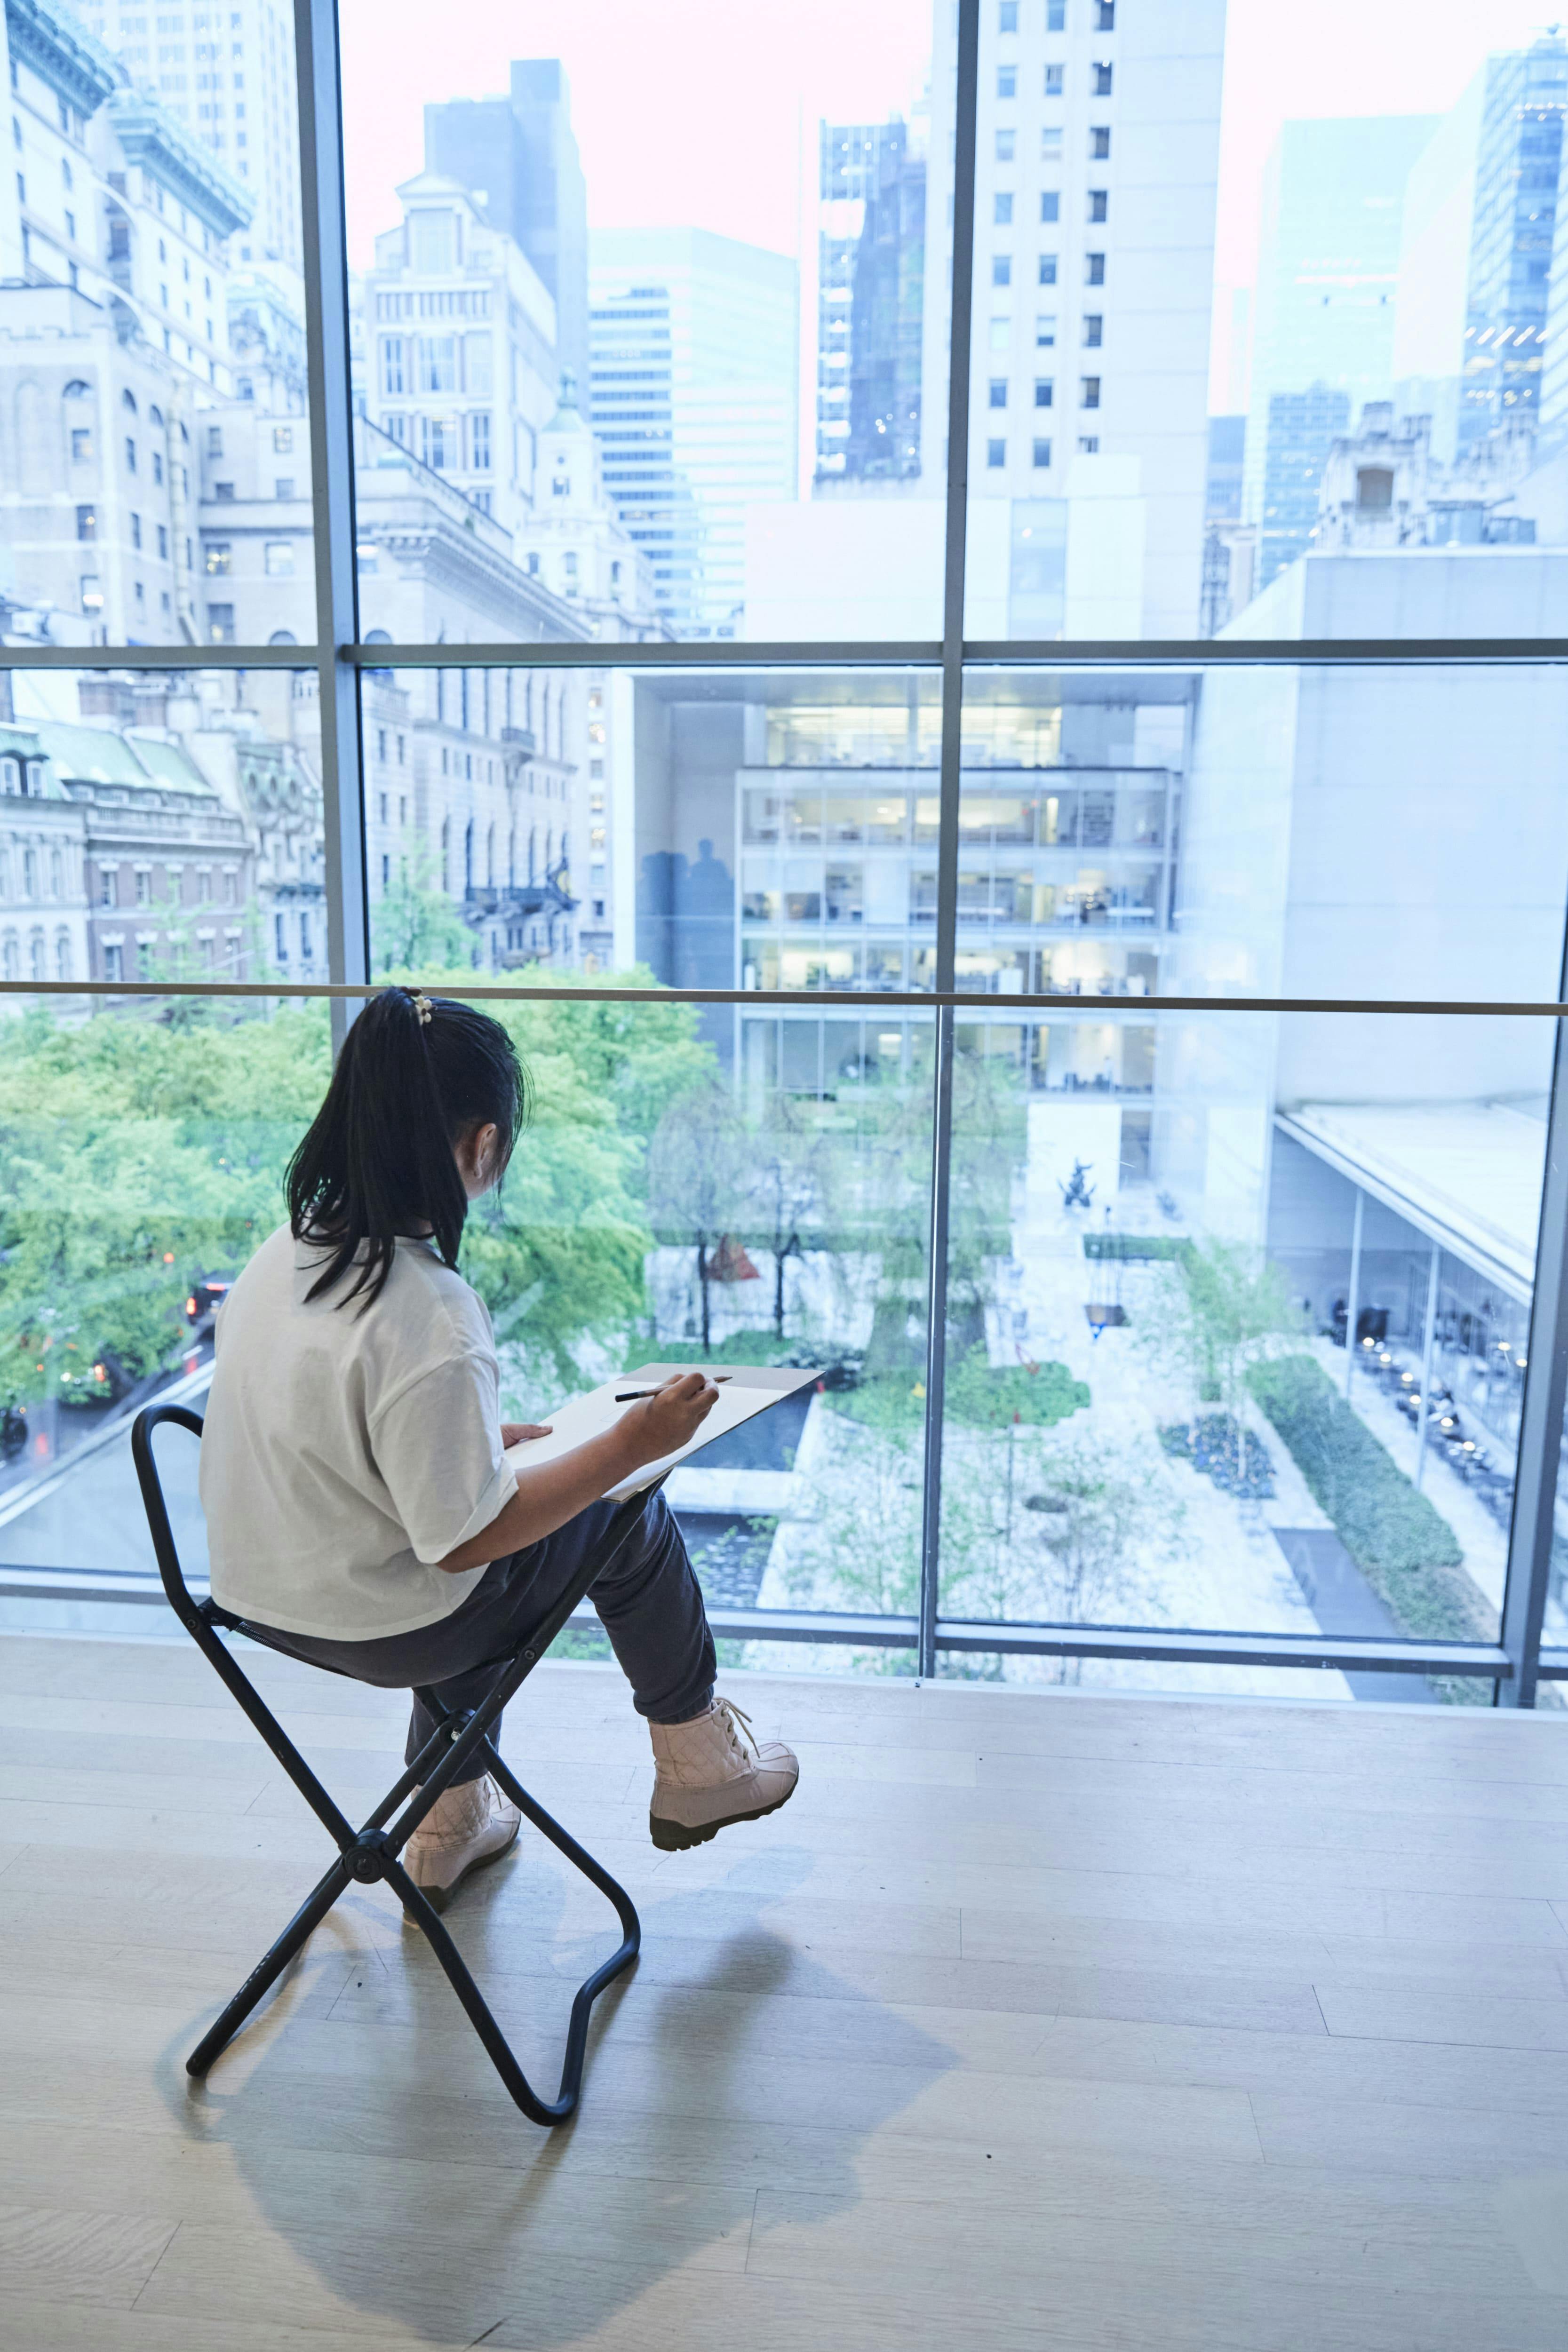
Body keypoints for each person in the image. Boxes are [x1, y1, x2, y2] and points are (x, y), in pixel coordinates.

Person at [199, 987, 798, 1909]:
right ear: (481, 1145)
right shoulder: (427, 1305)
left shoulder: (288, 1250)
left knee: (489, 1542)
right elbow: (461, 1542)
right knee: (627, 1511)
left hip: (260, 1603)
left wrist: (464, 1447)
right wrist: (636, 1439)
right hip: (386, 1623)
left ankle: (448, 1817)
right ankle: (696, 1758)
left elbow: (326, 1434)